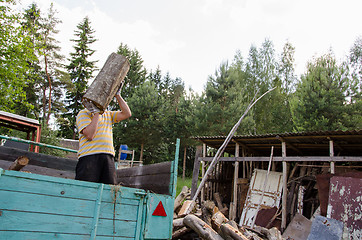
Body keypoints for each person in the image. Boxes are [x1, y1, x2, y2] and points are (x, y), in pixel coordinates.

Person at [75, 91, 131, 185]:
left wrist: (118, 95)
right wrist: (96, 113)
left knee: (108, 191)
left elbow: (127, 113)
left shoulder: (108, 114)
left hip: (108, 157)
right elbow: (90, 135)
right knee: (85, 191)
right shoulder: (83, 113)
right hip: (89, 157)